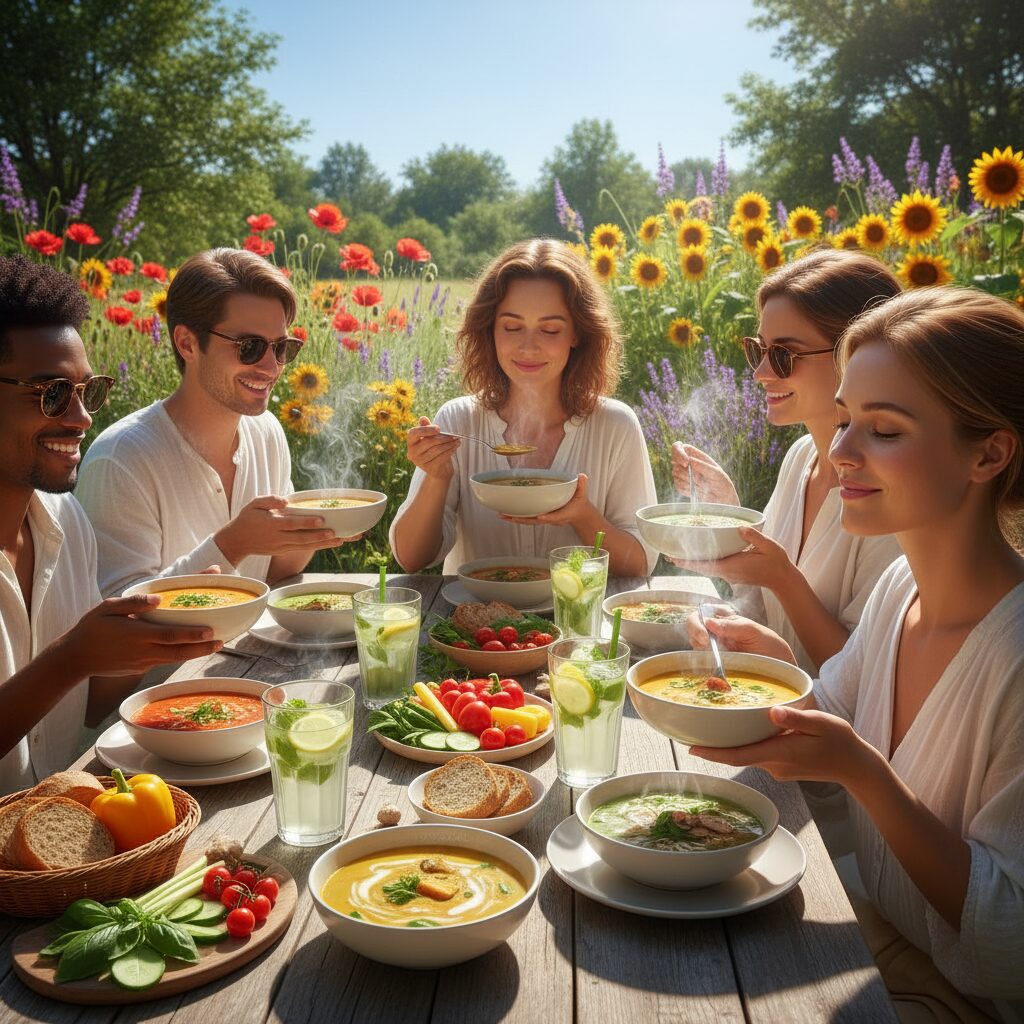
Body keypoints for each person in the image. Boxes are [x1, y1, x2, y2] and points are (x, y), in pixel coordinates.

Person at [690, 287, 1024, 1019]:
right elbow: (829, 712)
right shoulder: (901, 588)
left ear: (989, 453)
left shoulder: (1015, 657)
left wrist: (863, 772)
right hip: (889, 940)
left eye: (885, 429)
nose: (840, 451)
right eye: (845, 419)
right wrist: (753, 665)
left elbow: (1011, 944)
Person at [0, 255, 223, 793]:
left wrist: (156, 636)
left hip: (63, 819)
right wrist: (73, 656)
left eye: (88, 391)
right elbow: (69, 666)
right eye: (52, 393)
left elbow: (86, 703)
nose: (81, 418)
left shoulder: (65, 519)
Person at [671, 248, 903, 672]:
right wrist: (722, 618)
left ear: (855, 354)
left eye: (784, 355)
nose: (761, 372)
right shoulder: (801, 459)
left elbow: (866, 680)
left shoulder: (893, 490)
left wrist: (783, 578)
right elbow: (763, 611)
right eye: (757, 350)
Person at [76, 248, 349, 597]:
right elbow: (118, 615)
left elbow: (275, 572)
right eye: (250, 347)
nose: (271, 367)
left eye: (281, 347)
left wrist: (321, 528)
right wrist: (232, 544)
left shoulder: (267, 433)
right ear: (187, 344)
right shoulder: (122, 459)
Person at [389, 239, 657, 576]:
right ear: (490, 329)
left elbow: (640, 564)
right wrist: (437, 477)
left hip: (576, 612)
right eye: (512, 327)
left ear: (577, 333)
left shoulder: (616, 425)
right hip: (477, 612)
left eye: (550, 330)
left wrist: (582, 516)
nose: (528, 347)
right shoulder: (458, 421)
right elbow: (412, 559)